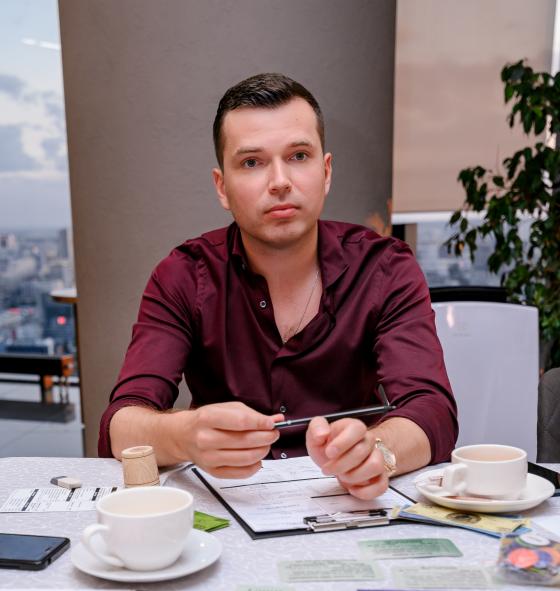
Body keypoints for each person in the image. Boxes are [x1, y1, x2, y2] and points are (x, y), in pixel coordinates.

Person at [99, 73, 457, 500]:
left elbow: (432, 410)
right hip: (228, 504)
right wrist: (185, 434)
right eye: (252, 162)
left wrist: (378, 450)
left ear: (326, 172)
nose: (280, 181)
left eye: (299, 156)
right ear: (222, 188)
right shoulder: (183, 275)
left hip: (350, 502)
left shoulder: (385, 267)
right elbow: (120, 424)